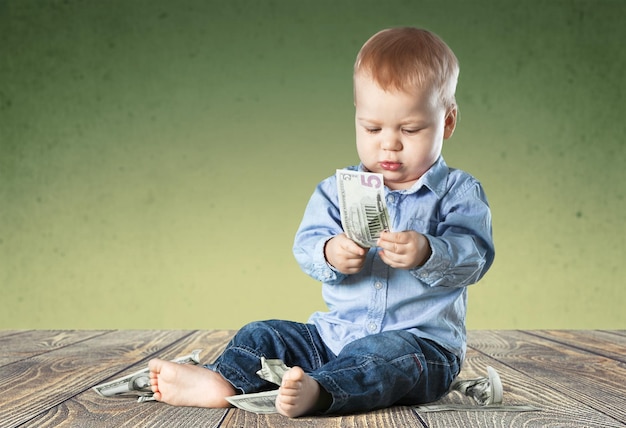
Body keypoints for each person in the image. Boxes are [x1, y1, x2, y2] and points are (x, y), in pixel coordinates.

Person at [148, 26, 495, 418]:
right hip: (334, 337)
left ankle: (323, 391)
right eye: (372, 128)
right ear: (357, 119)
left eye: (410, 130)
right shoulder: (336, 190)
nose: (389, 143)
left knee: (385, 356)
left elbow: (476, 257)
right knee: (263, 334)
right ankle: (224, 380)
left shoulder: (458, 192)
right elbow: (307, 245)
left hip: (421, 347)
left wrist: (429, 252)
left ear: (447, 123)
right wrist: (330, 252)